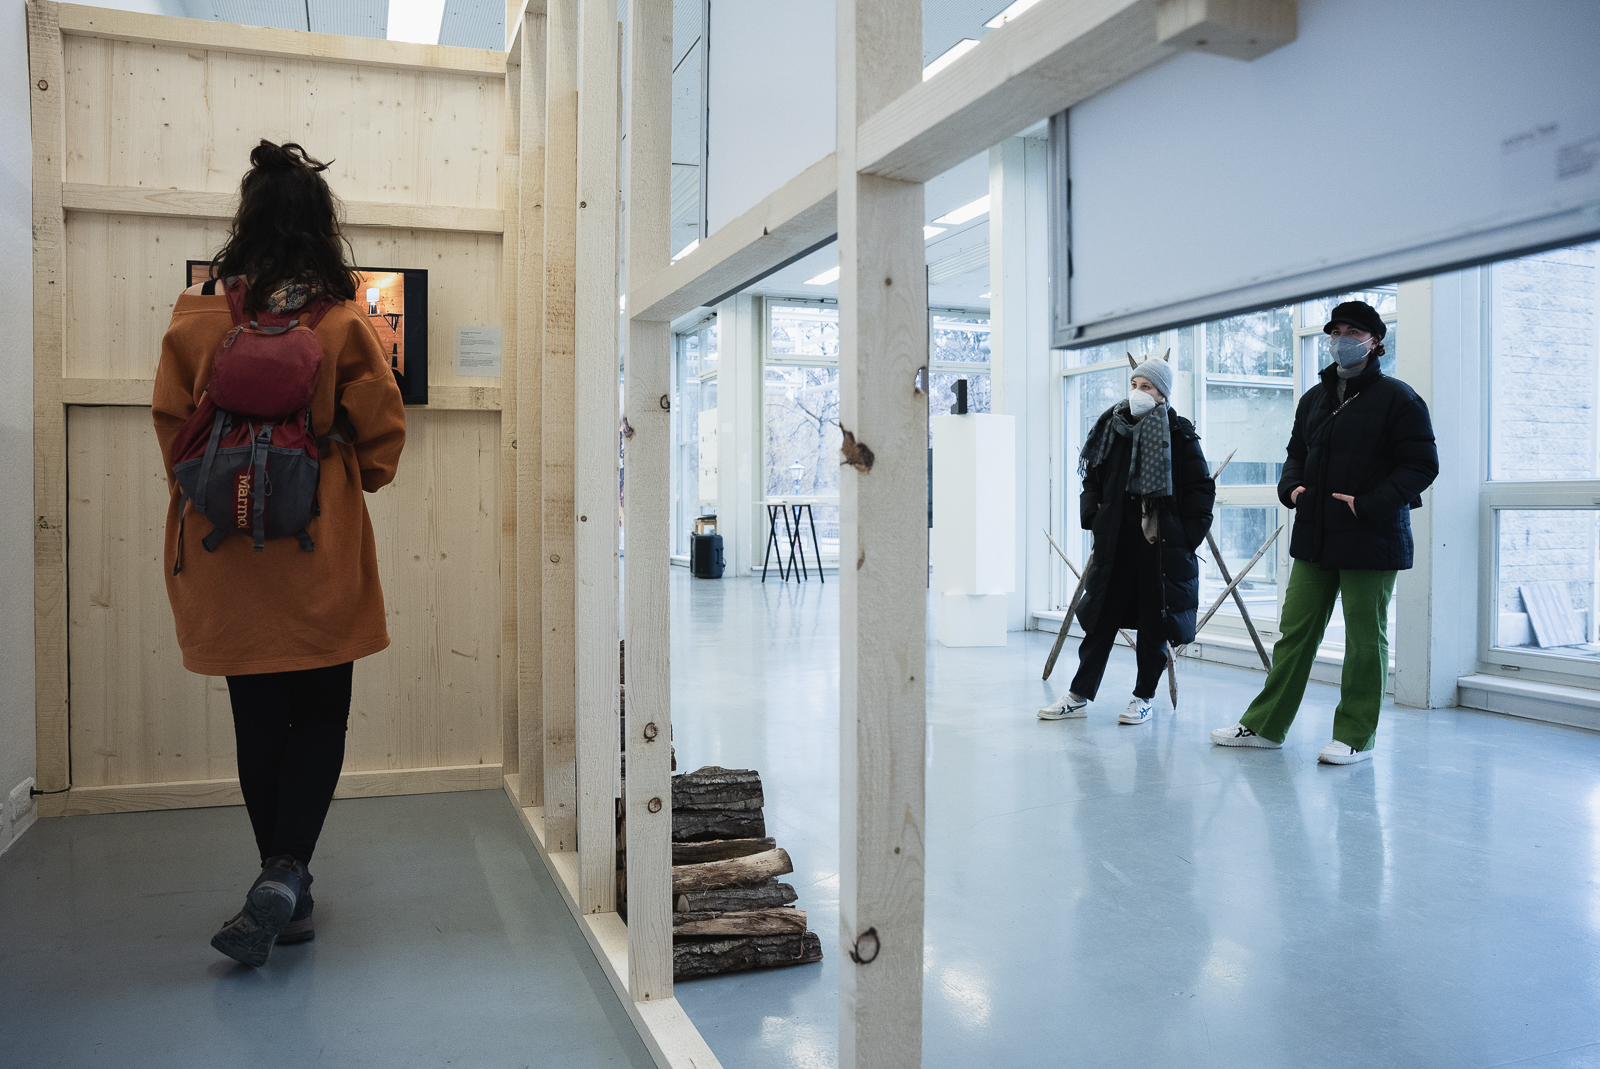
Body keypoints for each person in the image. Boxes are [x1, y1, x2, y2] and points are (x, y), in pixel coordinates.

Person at [152, 141, 407, 966]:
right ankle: (288, 871)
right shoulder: (341, 320)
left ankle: (284, 887)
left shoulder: (198, 315)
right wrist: (349, 472)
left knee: (256, 717)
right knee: (321, 713)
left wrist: (219, 488)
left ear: (247, 220)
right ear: (321, 227)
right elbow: (382, 441)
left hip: (223, 549)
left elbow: (171, 429)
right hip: (316, 545)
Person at [1211, 300, 1437, 764]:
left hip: (1371, 534)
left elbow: (1421, 465)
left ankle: (1355, 736)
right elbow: (1296, 452)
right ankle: (1265, 726)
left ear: (1375, 342)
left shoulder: (1399, 398)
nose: (1341, 339)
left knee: (1364, 640)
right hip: (1316, 532)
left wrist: (1368, 504)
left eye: (1352, 332)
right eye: (1335, 331)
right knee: (1294, 633)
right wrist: (1290, 488)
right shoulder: (1314, 398)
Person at [1039, 354, 1214, 725]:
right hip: (1116, 540)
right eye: (1134, 384)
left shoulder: (1179, 434)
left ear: (1162, 394)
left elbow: (1201, 489)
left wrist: (1186, 537)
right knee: (1100, 619)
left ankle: (1143, 697)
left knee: (1154, 622)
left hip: (1159, 546)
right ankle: (1078, 695)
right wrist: (1094, 516)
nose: (1138, 392)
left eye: (1146, 386)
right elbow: (1092, 478)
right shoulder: (1112, 428)